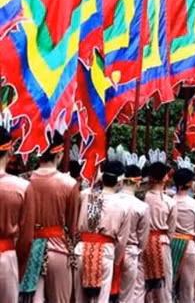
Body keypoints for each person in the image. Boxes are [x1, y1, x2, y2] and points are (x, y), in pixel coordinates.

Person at [21, 129, 81, 303]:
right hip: (59, 250)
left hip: (29, 248)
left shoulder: (23, 180)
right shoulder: (70, 184)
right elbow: (72, 226)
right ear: (60, 154)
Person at [74, 147, 131, 303]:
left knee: (80, 299)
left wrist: (98, 179)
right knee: (101, 299)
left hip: (82, 249)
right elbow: (122, 240)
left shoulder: (86, 195)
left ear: (102, 176)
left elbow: (88, 191)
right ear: (120, 180)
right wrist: (116, 259)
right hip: (106, 252)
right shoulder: (123, 205)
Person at [0, 110, 33, 303]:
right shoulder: (22, 187)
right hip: (7, 259)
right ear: (10, 150)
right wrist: (19, 268)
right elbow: (26, 238)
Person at [115, 149, 150, 303]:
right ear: (138, 181)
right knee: (127, 295)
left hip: (108, 249)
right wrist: (139, 250)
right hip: (130, 251)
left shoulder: (106, 199)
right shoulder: (142, 206)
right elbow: (143, 238)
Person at [142, 149, 177, 303]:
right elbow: (171, 230)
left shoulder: (141, 198)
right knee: (164, 282)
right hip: (161, 242)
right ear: (165, 178)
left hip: (143, 243)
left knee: (144, 284)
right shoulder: (169, 202)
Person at [171, 157, 195, 303]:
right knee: (187, 287)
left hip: (171, 244)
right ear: (190, 183)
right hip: (189, 246)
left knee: (169, 285)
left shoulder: (169, 201)